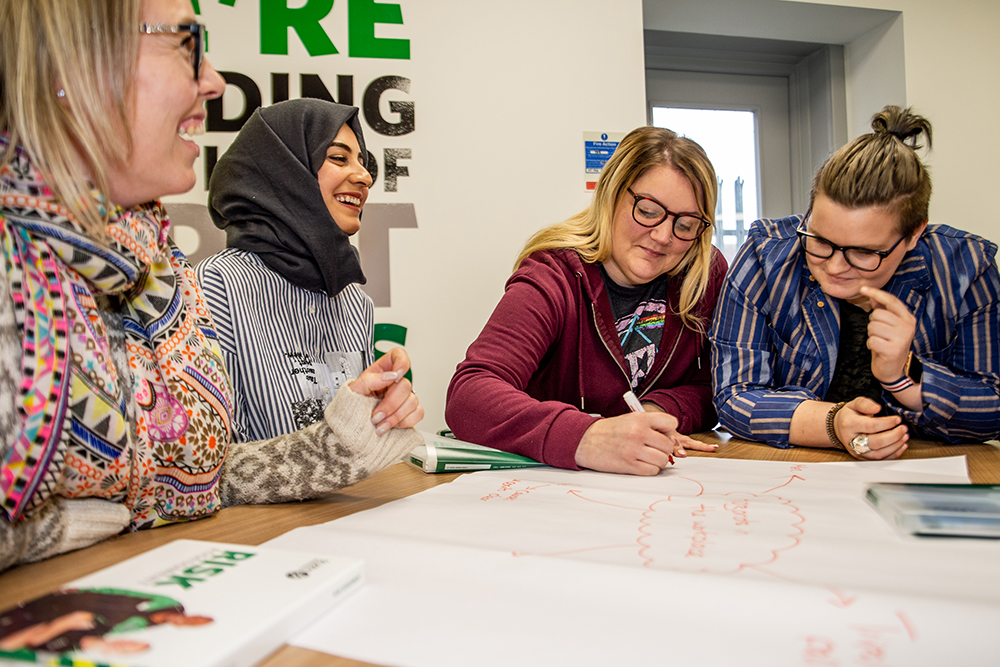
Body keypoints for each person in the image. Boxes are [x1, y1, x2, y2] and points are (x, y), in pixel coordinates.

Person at [0, 0, 421, 573]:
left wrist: (341, 442)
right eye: (184, 43)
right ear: (76, 67)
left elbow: (203, 475)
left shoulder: (158, 270)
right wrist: (58, 526)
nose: (213, 82)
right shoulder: (210, 283)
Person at [710, 105, 1000, 459]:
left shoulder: (967, 267)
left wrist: (904, 378)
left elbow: (993, 409)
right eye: (820, 239)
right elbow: (734, 395)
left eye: (863, 252)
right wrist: (832, 424)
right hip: (798, 469)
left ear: (914, 235)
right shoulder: (765, 254)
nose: (833, 266)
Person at [446, 126, 728, 476]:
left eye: (685, 224)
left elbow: (715, 385)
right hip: (557, 495)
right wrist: (587, 437)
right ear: (612, 193)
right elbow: (469, 396)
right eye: (648, 209)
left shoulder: (703, 274)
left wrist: (655, 410)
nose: (663, 236)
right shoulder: (554, 275)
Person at [197, 98, 421, 442]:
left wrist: (385, 423)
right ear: (284, 171)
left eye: (362, 162)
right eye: (338, 158)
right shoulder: (217, 287)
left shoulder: (354, 303)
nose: (364, 177)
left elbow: (354, 449)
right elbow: (219, 461)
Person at [0, 588, 211, 657]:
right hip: (73, 601)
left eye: (128, 648)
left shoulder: (139, 626)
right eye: (195, 619)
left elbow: (22, 643)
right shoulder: (168, 604)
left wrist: (69, 623)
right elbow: (123, 593)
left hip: (58, 615)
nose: (188, 621)